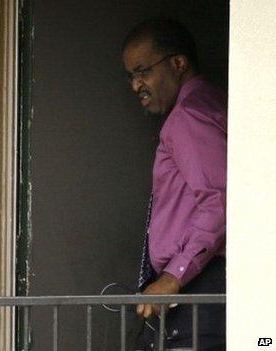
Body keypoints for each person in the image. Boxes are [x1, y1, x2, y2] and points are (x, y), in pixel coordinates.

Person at [121, 18, 226, 350]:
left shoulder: (188, 117)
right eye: (131, 76)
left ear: (178, 64)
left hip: (199, 284)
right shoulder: (211, 104)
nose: (136, 85)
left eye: (143, 71)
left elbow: (221, 201)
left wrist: (172, 277)